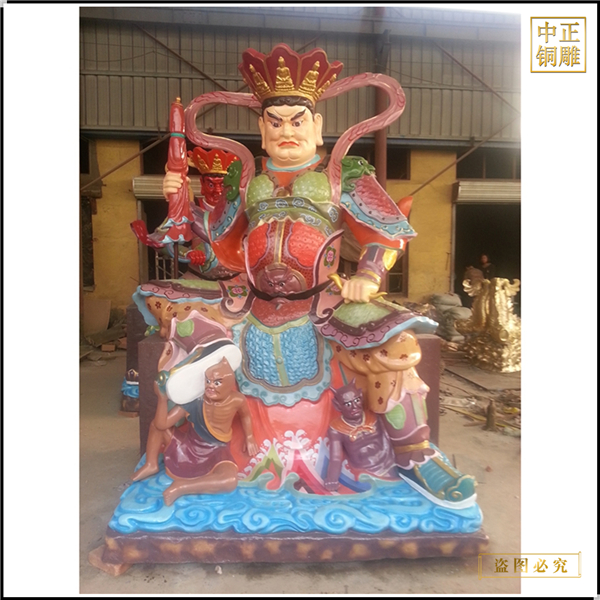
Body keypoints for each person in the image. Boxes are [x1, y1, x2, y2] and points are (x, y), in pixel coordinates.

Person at [132, 355, 258, 505]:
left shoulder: (237, 400)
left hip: (218, 450)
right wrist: (162, 399)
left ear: (229, 384)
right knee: (155, 425)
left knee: (229, 480)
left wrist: (249, 436)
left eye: (217, 382)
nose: (210, 386)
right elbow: (161, 424)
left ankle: (182, 487)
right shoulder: (195, 401)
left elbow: (245, 416)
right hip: (188, 447)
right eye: (208, 381)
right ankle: (151, 464)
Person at [324, 380, 396, 491]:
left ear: (361, 397)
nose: (354, 407)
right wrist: (332, 479)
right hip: (364, 473)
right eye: (348, 404)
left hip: (388, 466)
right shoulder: (336, 429)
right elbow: (336, 458)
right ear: (337, 406)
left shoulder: (374, 416)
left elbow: (391, 439)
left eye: (357, 400)